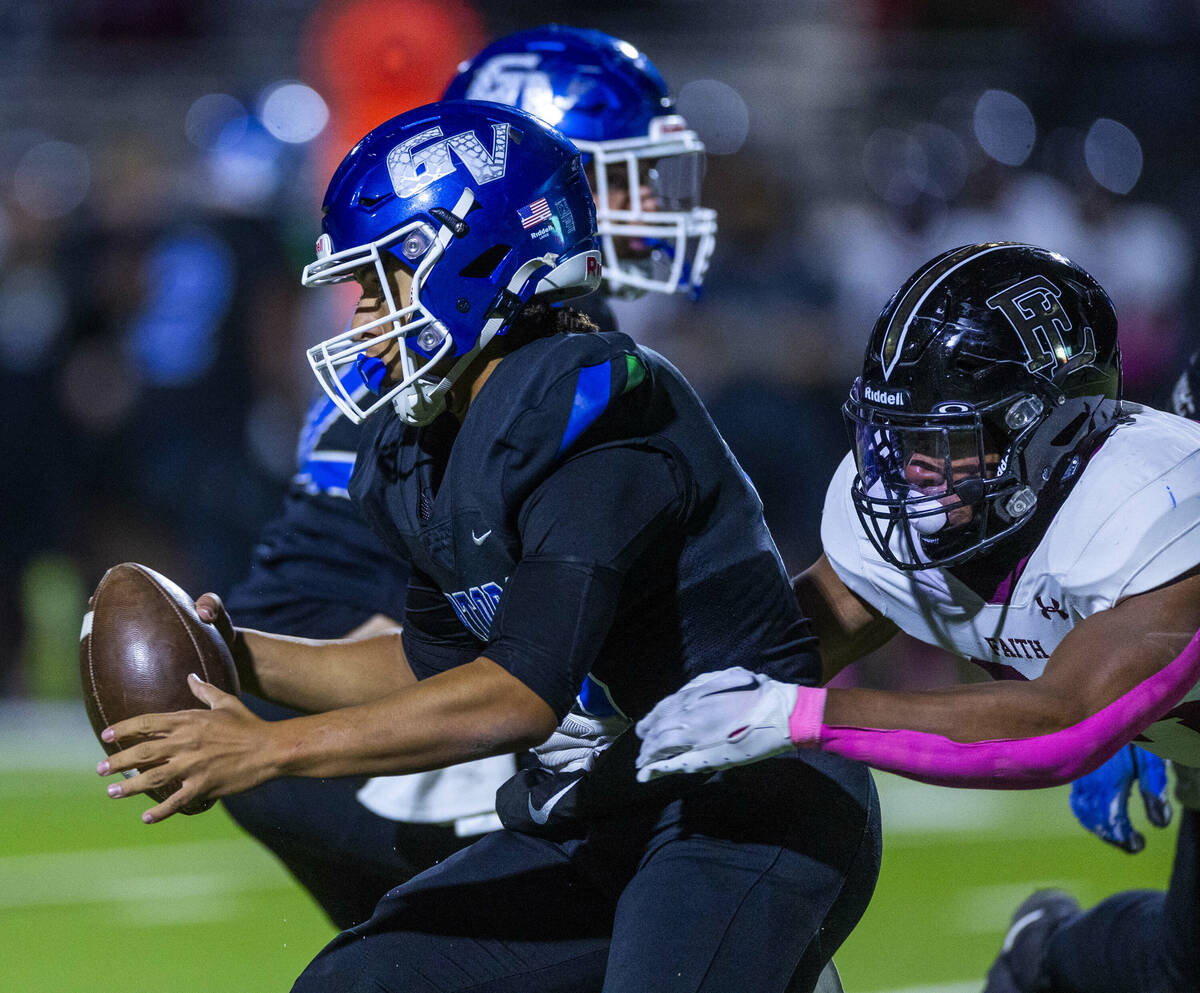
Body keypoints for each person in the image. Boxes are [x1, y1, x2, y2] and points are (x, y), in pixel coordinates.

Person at [97, 100, 878, 993]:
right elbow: (441, 663)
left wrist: (274, 749)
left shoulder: (599, 413)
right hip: (601, 805)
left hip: (743, 805)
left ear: (471, 263)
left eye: (380, 283)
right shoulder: (433, 439)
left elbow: (516, 696)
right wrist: (235, 655)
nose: (360, 323)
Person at [220, 24, 718, 931]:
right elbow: (487, 653)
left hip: (373, 671)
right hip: (366, 683)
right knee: (645, 868)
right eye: (629, 172)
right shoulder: (501, 355)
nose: (653, 198)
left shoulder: (510, 337)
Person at [635, 242, 1200, 993]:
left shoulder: (1153, 503)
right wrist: (624, 709)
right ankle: (1047, 960)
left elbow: (1062, 720)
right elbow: (782, 644)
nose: (909, 476)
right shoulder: (928, 524)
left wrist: (799, 716)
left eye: (943, 444)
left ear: (1053, 432)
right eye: (896, 440)